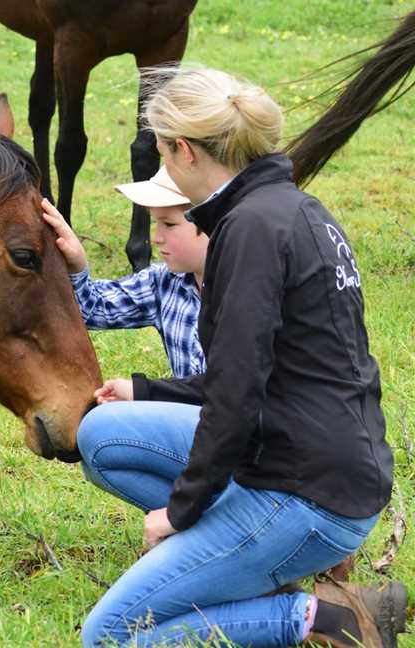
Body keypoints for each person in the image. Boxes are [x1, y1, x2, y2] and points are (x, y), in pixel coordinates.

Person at [76, 66, 406, 648]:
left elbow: (235, 396)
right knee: (105, 434)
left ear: (184, 150)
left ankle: (325, 618)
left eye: (162, 154)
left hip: (305, 491)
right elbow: (256, 374)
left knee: (111, 633)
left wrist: (180, 513)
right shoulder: (295, 209)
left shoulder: (248, 230)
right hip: (322, 460)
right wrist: (147, 390)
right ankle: (237, 559)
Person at [41, 166, 208, 381]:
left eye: (169, 224)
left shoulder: (250, 285)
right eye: (156, 223)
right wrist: (77, 265)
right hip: (185, 412)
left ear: (212, 221)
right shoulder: (164, 282)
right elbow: (93, 309)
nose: (156, 237)